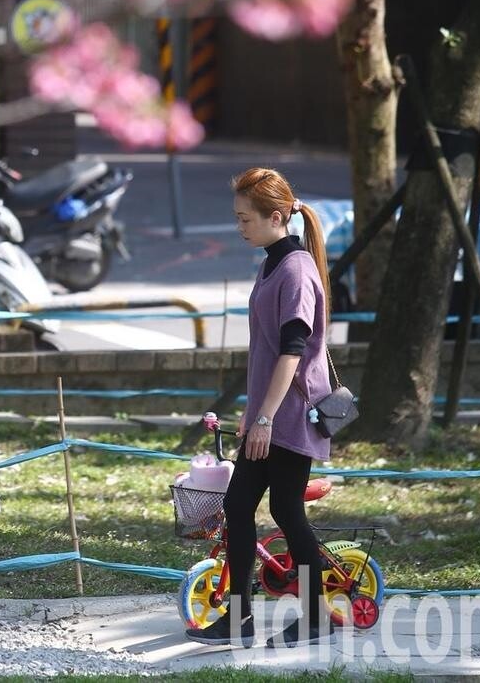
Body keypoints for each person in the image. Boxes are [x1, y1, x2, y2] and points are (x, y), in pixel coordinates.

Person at [186, 167, 333, 650]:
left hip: (289, 416)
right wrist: (254, 415)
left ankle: (316, 614)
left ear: (276, 216)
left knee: (288, 511)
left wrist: (265, 418)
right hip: (268, 414)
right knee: (238, 505)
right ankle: (239, 617)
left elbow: (293, 351)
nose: (240, 226)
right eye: (236, 218)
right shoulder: (272, 262)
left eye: (246, 218)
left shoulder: (295, 269)